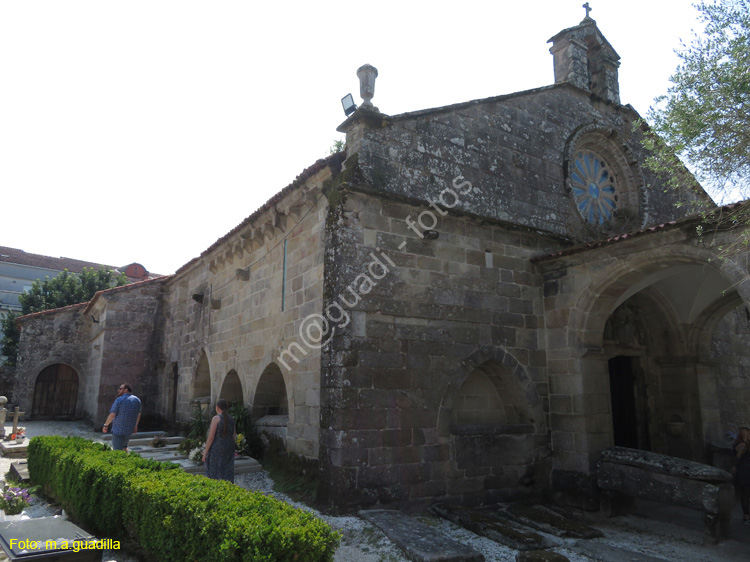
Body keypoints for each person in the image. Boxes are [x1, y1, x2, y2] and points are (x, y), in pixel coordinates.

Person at [202, 399, 236, 483]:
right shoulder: (231, 419)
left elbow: (211, 437)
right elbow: (234, 435)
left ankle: (215, 490)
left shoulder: (216, 418)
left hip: (217, 448)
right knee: (227, 470)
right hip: (229, 447)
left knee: (214, 470)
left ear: (217, 408)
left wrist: (205, 452)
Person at [103, 383, 141, 451]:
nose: (118, 390)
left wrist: (106, 425)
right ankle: (126, 460)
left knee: (117, 451)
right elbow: (138, 414)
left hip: (118, 430)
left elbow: (112, 414)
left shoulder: (119, 400)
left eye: (120, 389)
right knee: (124, 447)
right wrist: (135, 426)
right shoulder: (137, 400)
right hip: (129, 430)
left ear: (126, 390)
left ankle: (119, 461)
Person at [732, 426, 750, 525]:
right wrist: (734, 467)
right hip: (745, 471)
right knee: (746, 493)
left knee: (746, 493)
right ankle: (746, 517)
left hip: (746, 470)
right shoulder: (743, 445)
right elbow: (737, 458)